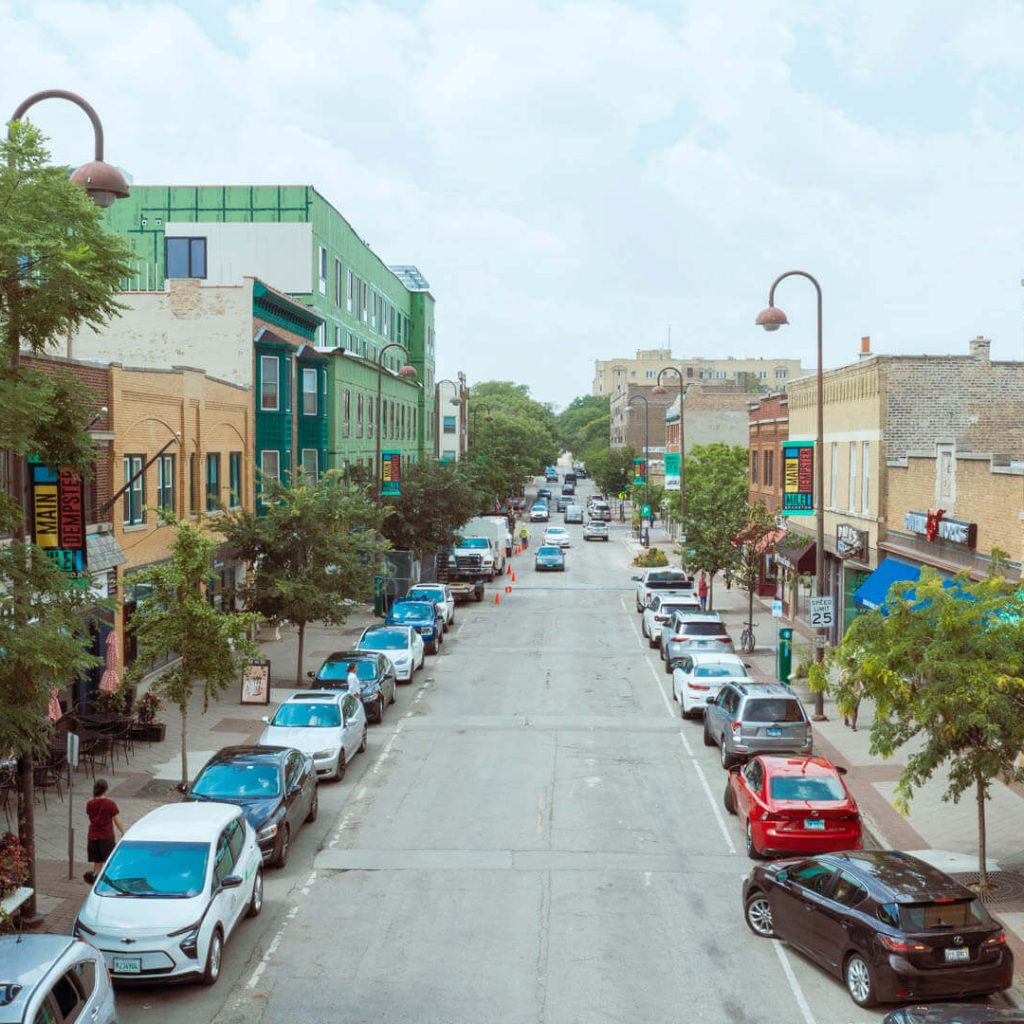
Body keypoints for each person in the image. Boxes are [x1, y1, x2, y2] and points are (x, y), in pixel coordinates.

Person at [83, 778, 124, 884]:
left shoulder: (89, 804)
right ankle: (109, 883)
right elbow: (117, 820)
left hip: (93, 836)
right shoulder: (110, 804)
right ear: (106, 789)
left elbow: (90, 816)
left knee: (97, 862)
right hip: (106, 836)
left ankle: (96, 882)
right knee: (109, 861)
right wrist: (123, 831)